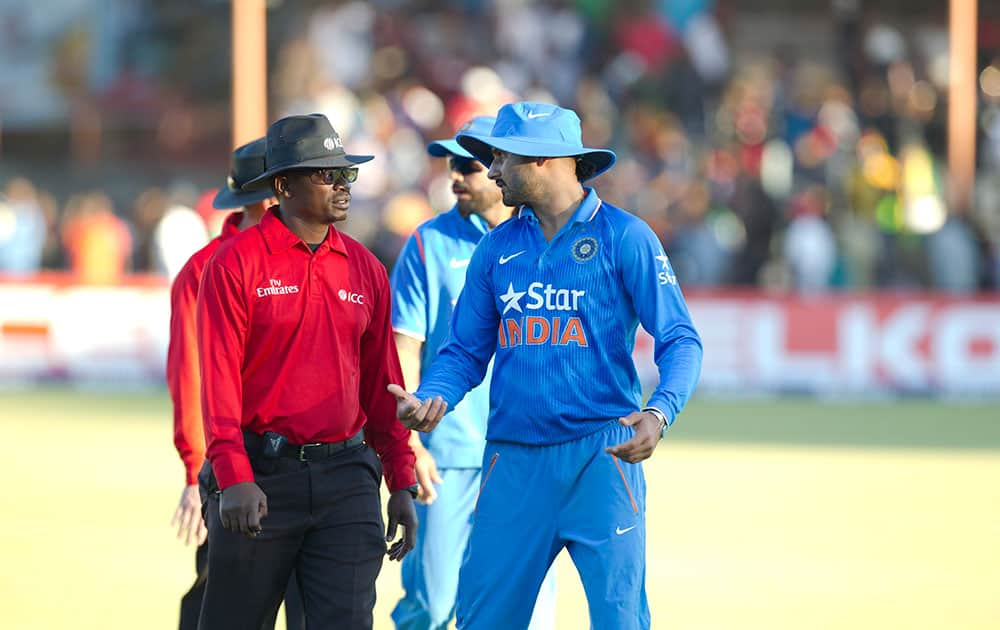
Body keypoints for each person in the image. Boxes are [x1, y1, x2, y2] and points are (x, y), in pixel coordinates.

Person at [389, 102, 703, 629]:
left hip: (604, 458)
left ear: (540, 160)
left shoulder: (624, 237)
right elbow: (464, 351)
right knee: (482, 621)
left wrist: (659, 413)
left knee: (620, 621)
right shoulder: (496, 249)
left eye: (500, 159)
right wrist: (432, 395)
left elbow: (680, 338)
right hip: (512, 464)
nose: (490, 171)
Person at [196, 113, 419, 629]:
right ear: (283, 185)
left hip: (348, 480)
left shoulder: (364, 266)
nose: (341, 186)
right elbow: (219, 381)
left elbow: (382, 385)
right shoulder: (235, 264)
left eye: (346, 174)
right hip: (261, 475)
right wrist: (233, 477)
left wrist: (400, 480)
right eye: (326, 174)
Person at [390, 116, 556, 630]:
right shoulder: (427, 244)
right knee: (434, 606)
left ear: (503, 167)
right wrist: (409, 446)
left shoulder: (548, 240)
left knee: (521, 609)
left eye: (469, 166)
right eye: (451, 166)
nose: (455, 177)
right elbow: (403, 350)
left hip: (526, 454)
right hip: (448, 456)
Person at [166, 138, 305, 630]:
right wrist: (195, 470)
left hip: (314, 468)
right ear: (274, 193)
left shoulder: (322, 258)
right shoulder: (204, 269)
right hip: (233, 464)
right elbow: (192, 378)